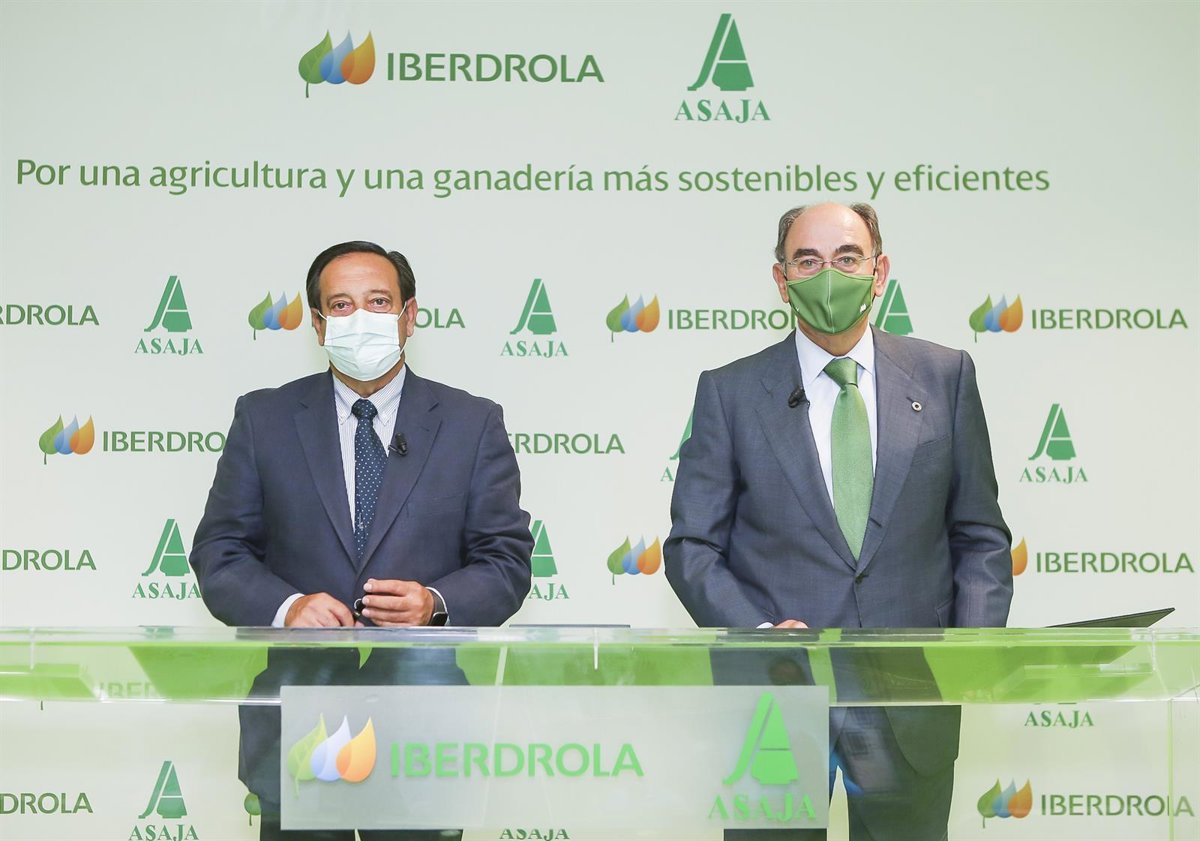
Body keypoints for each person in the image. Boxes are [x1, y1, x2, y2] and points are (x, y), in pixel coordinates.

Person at [664, 202, 1012, 841]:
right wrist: (760, 634)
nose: (830, 275)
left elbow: (979, 533)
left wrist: (971, 653)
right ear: (781, 279)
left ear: (880, 273)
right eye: (808, 261)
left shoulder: (946, 377)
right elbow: (692, 546)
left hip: (914, 696)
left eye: (848, 258)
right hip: (776, 698)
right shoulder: (729, 392)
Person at [191, 241, 533, 841]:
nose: (360, 318)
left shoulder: (472, 422)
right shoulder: (265, 419)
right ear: (318, 324)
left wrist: (435, 603)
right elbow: (220, 552)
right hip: (300, 716)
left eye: (378, 302)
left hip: (423, 722)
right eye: (341, 305)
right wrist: (288, 608)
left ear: (409, 315)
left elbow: (505, 561)